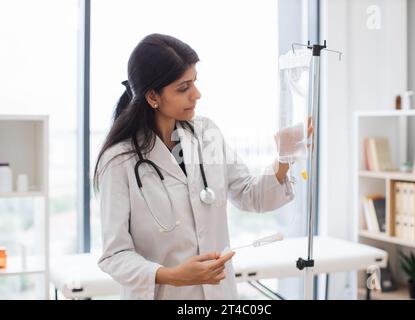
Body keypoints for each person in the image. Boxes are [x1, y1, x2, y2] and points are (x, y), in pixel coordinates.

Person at [93, 33, 311, 300]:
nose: (197, 94)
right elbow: (114, 254)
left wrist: (284, 158)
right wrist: (172, 276)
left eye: (194, 82)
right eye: (183, 88)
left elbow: (249, 194)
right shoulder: (119, 160)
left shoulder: (206, 133)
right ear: (153, 96)